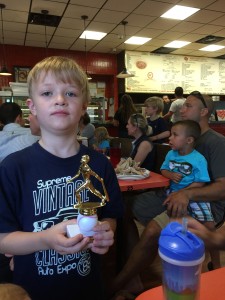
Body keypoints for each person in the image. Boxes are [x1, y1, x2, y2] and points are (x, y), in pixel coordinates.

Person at [0, 56, 124, 300]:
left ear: (84, 106)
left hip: (88, 286)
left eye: (70, 93)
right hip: (33, 290)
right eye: (47, 93)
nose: (59, 100)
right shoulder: (14, 167)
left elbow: (110, 216)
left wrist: (105, 230)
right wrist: (45, 239)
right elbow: (3, 240)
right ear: (32, 107)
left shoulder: (99, 164)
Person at [110, 92, 225, 299]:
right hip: (172, 194)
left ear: (204, 111)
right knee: (123, 206)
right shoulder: (181, 138)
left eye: (188, 106)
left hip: (204, 205)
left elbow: (222, 188)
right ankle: (134, 276)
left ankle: (117, 283)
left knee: (154, 228)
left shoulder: (217, 142)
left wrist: (188, 194)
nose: (181, 109)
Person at [161, 120, 220, 269]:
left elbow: (201, 182)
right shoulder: (170, 153)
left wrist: (184, 192)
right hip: (174, 193)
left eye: (175, 135)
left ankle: (216, 264)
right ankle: (178, 258)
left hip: (194, 195)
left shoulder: (198, 159)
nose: (170, 138)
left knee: (209, 226)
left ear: (189, 140)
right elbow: (163, 169)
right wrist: (170, 174)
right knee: (176, 224)